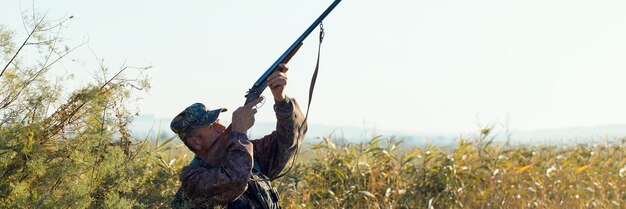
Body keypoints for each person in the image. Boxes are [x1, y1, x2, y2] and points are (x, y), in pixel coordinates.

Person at [170, 64, 307, 209]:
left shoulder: (248, 152)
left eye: (218, 122)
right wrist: (240, 133)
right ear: (195, 142)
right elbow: (235, 181)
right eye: (211, 126)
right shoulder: (193, 179)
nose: (222, 128)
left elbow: (287, 142)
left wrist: (281, 99)